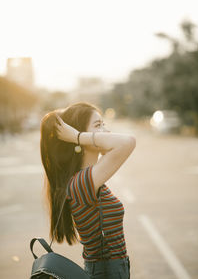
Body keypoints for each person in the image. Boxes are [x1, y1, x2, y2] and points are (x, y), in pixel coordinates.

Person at [40, 101, 136, 279]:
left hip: (110, 269)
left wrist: (80, 136)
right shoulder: (82, 183)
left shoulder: (89, 179)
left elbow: (119, 146)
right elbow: (128, 142)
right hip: (107, 272)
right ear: (78, 136)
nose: (106, 132)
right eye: (98, 125)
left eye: (104, 124)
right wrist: (77, 136)